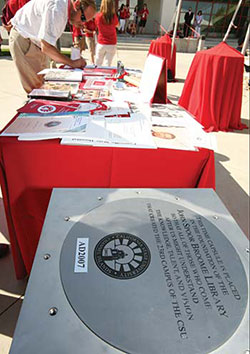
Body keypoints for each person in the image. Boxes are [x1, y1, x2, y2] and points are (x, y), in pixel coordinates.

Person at [9, 0, 96, 93]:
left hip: (35, 42)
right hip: (26, 40)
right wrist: (72, 63)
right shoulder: (57, 9)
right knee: (37, 91)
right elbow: (46, 47)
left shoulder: (62, 8)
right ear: (77, 4)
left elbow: (46, 46)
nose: (82, 23)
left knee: (45, 86)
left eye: (85, 21)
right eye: (83, 18)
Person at [95, 0, 119, 66]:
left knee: (98, 63)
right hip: (112, 42)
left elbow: (96, 25)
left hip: (101, 42)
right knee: (108, 64)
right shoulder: (114, 17)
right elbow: (117, 25)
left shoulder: (98, 16)